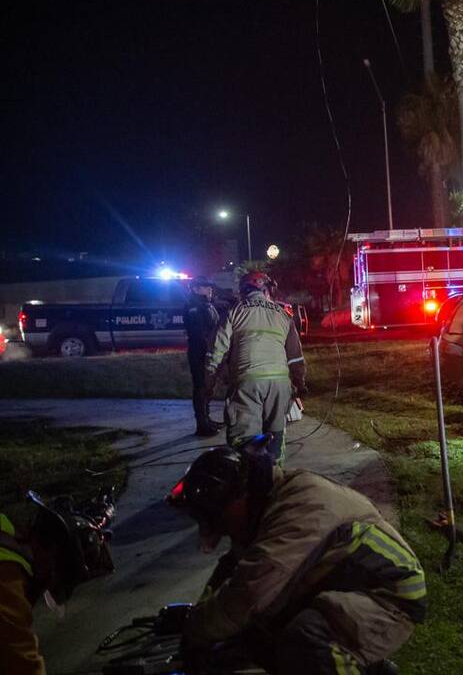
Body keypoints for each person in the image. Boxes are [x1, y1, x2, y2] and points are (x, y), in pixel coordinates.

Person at [168, 443, 425, 674]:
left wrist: (196, 630)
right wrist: (199, 612)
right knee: (258, 635)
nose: (221, 528)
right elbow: (232, 569)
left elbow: (249, 592)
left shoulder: (298, 506)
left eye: (219, 519)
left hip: (389, 593)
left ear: (238, 497)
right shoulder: (262, 503)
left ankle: (350, 659)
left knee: (306, 639)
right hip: (343, 583)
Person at [1, 491, 115, 675]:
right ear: (51, 556)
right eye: (52, 580)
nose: (43, 589)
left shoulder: (6, 533)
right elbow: (23, 664)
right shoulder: (7, 582)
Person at [207, 272, 306, 462]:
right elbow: (295, 356)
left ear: (243, 290)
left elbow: (216, 351)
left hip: (247, 383)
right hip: (279, 385)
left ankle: (248, 481)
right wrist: (300, 383)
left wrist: (209, 382)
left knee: (244, 439)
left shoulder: (234, 312)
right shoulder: (282, 315)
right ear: (266, 290)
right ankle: (274, 475)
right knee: (276, 434)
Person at [184, 277, 221, 436]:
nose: (209, 289)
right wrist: (208, 351)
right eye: (205, 286)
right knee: (200, 387)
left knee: (208, 387)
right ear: (195, 289)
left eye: (210, 286)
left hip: (208, 352)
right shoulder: (194, 307)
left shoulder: (206, 304)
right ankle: (202, 424)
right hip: (200, 353)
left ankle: (207, 418)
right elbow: (200, 334)